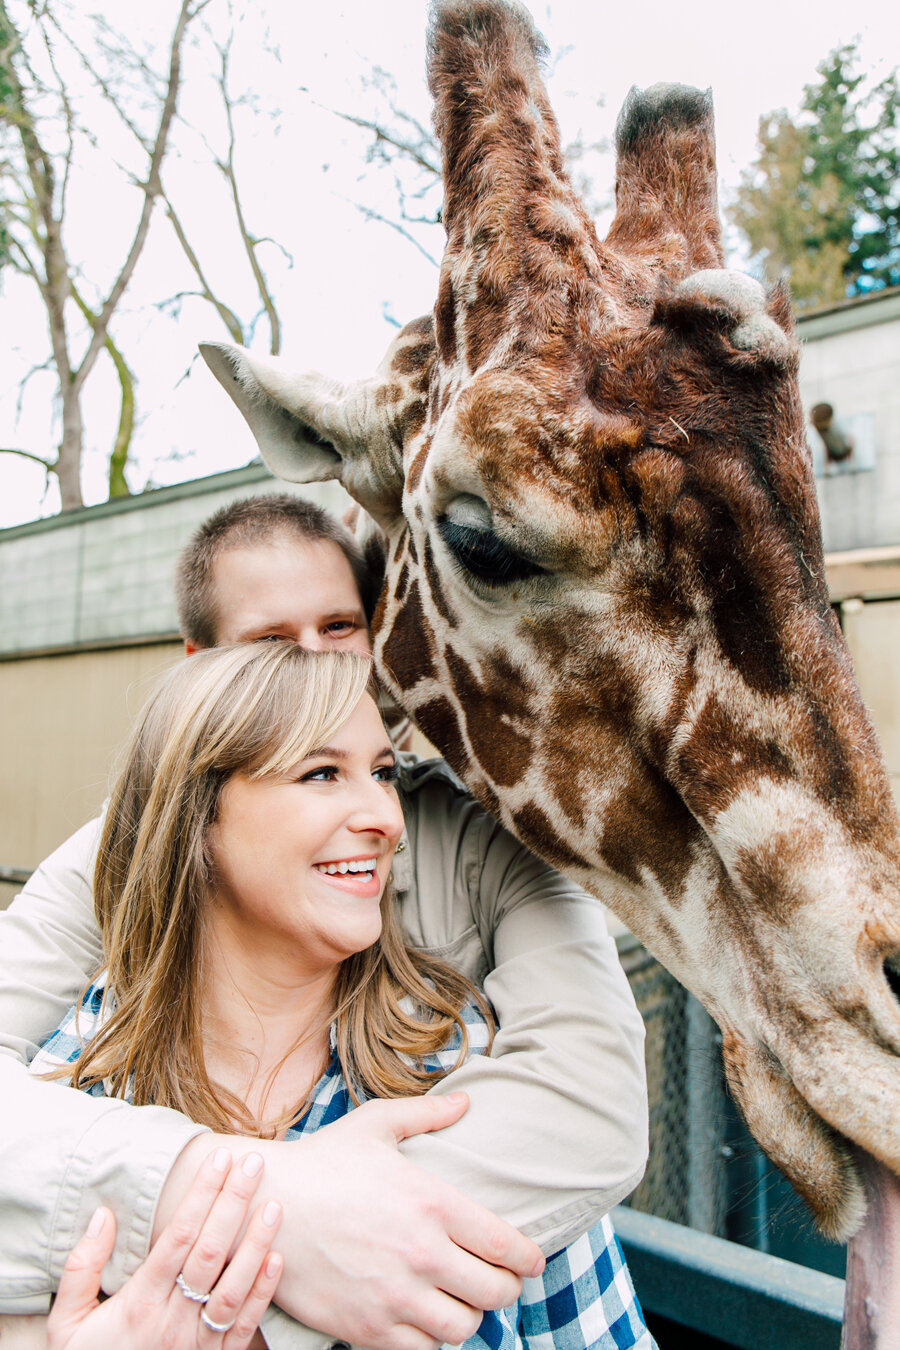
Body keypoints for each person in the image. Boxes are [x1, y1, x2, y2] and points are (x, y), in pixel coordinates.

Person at [0, 494, 648, 1350]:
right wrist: (274, 1219)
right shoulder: (86, 1047)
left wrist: (263, 1288)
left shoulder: (462, 1058)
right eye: (271, 644)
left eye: (341, 627)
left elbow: (587, 1101)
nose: (318, 663)